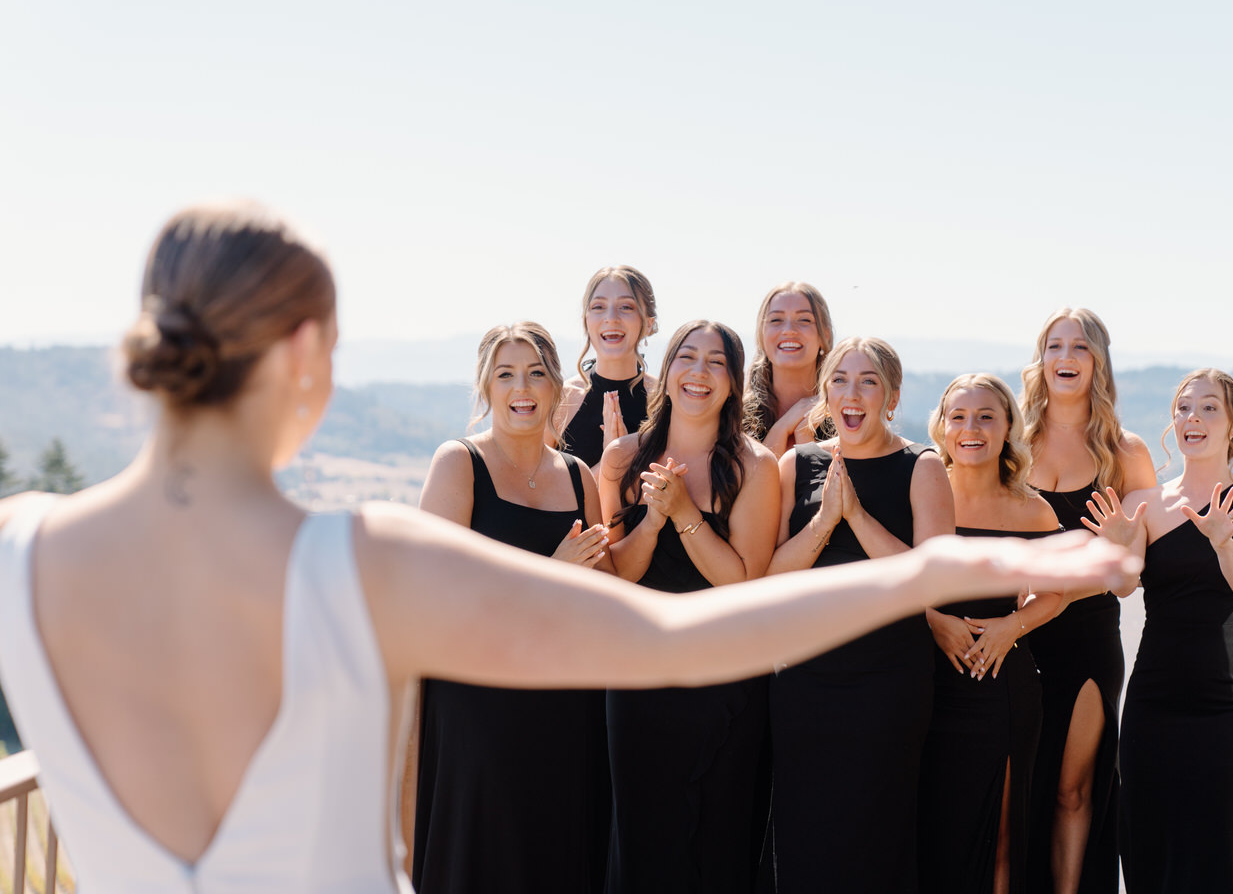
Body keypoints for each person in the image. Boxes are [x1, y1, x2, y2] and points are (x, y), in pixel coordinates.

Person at [0, 203, 1135, 894]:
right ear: (309, 355)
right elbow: (681, 638)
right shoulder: (361, 560)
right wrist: (939, 571)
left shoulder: (22, 552)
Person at [405, 322, 612, 893]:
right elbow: (433, 597)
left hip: (566, 701)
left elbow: (606, 590)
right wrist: (554, 572)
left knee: (556, 849)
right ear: (486, 388)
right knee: (483, 853)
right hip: (479, 699)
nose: (522, 387)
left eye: (536, 373)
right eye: (506, 375)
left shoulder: (579, 477)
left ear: (555, 387)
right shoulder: (459, 463)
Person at [1085, 369, 1233, 894]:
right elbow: (1124, 586)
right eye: (1182, 408)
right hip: (1154, 702)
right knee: (1147, 841)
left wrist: (1223, 542)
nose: (1191, 418)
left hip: (1229, 703)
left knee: (1213, 847)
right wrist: (1119, 546)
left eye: (1208, 408)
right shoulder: (1144, 505)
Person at [765, 336, 954, 893]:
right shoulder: (794, 465)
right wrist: (824, 522)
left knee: (878, 831)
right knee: (805, 831)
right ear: (825, 393)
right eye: (840, 380)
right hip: (804, 679)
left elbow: (931, 580)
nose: (852, 393)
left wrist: (856, 516)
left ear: (891, 396)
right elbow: (772, 579)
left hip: (888, 683)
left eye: (868, 381)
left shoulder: (922, 466)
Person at [597, 320, 779, 893]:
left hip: (724, 677)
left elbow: (744, 582)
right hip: (640, 674)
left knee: (718, 837)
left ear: (733, 383)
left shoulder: (755, 465)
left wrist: (683, 514)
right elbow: (616, 575)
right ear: (667, 369)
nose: (699, 372)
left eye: (716, 363)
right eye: (687, 358)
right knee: (642, 833)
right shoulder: (622, 458)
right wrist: (652, 522)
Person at [1018, 308, 1156, 894]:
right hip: (1013, 641)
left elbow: (1128, 580)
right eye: (1055, 346)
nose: (1066, 357)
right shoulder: (1010, 441)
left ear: (1097, 361)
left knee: (1074, 789)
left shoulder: (1124, 452)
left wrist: (1121, 549)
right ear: (1040, 359)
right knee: (1018, 793)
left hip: (1087, 645)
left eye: (1080, 346)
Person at [919, 374, 1063, 894]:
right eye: (958, 416)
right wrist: (934, 620)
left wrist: (1011, 627)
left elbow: (1058, 592)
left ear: (1007, 429)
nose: (970, 428)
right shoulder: (920, 492)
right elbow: (890, 573)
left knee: (1002, 836)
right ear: (941, 426)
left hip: (1002, 686)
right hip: (925, 686)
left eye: (986, 417)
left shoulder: (1030, 507)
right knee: (929, 833)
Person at [558, 266, 659, 468]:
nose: (611, 317)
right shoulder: (561, 400)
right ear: (586, 321)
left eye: (626, 307)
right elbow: (537, 492)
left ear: (648, 324)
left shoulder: (665, 400)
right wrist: (611, 462)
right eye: (598, 307)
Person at [741, 282, 834, 458]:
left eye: (804, 320)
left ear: (825, 336)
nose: (789, 330)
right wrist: (782, 428)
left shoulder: (843, 414)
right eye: (776, 320)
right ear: (761, 335)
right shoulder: (734, 417)